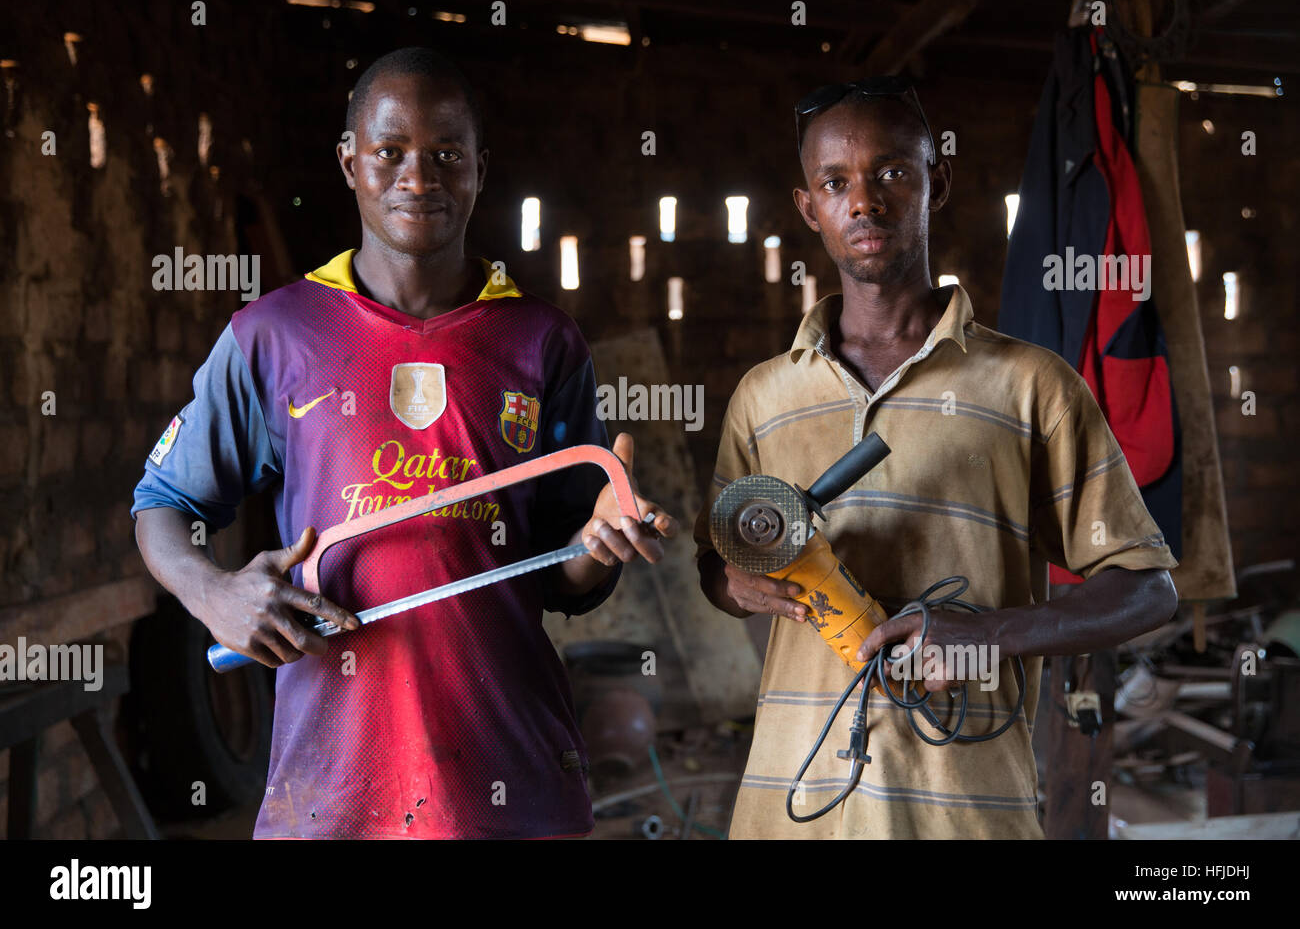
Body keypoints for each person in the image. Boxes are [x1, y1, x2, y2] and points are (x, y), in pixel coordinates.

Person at [132, 47, 678, 839]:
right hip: (332, 781)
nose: (418, 178)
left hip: (509, 768)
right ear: (350, 163)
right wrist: (212, 593)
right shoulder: (273, 335)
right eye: (389, 153)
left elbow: (564, 574)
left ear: (481, 170)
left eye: (446, 155)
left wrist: (600, 543)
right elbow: (164, 503)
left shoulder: (541, 341)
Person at [695, 78, 1177, 839]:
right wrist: (733, 581)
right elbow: (717, 569)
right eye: (835, 183)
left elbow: (1148, 590)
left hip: (966, 812)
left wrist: (990, 634)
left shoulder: (1030, 385)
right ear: (808, 208)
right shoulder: (764, 394)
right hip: (789, 811)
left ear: (937, 181)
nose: (864, 201)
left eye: (892, 172)